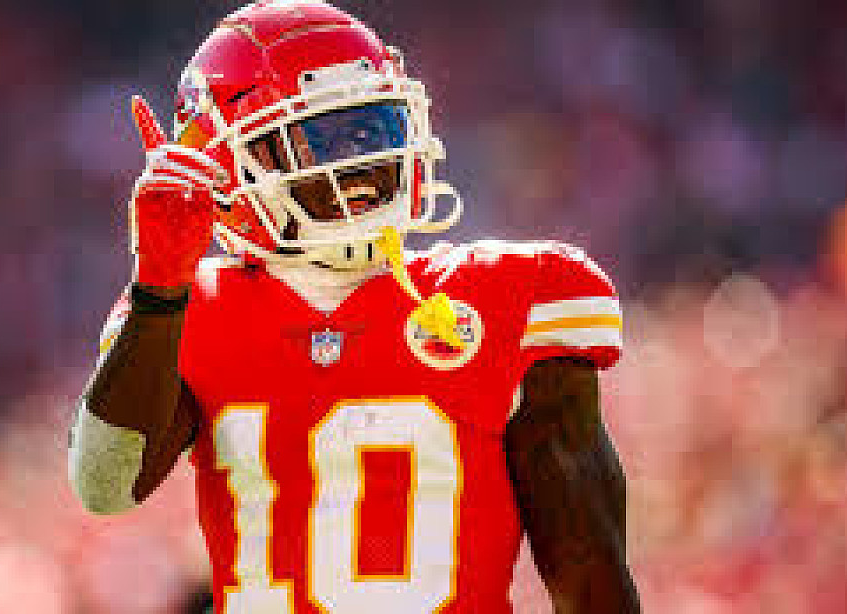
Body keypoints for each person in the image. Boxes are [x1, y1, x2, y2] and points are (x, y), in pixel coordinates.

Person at [68, 1, 640, 612]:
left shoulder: (512, 295)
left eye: (373, 127)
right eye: (323, 137)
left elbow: (591, 576)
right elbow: (106, 486)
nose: (364, 158)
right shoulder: (193, 311)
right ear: (230, 165)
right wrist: (158, 291)